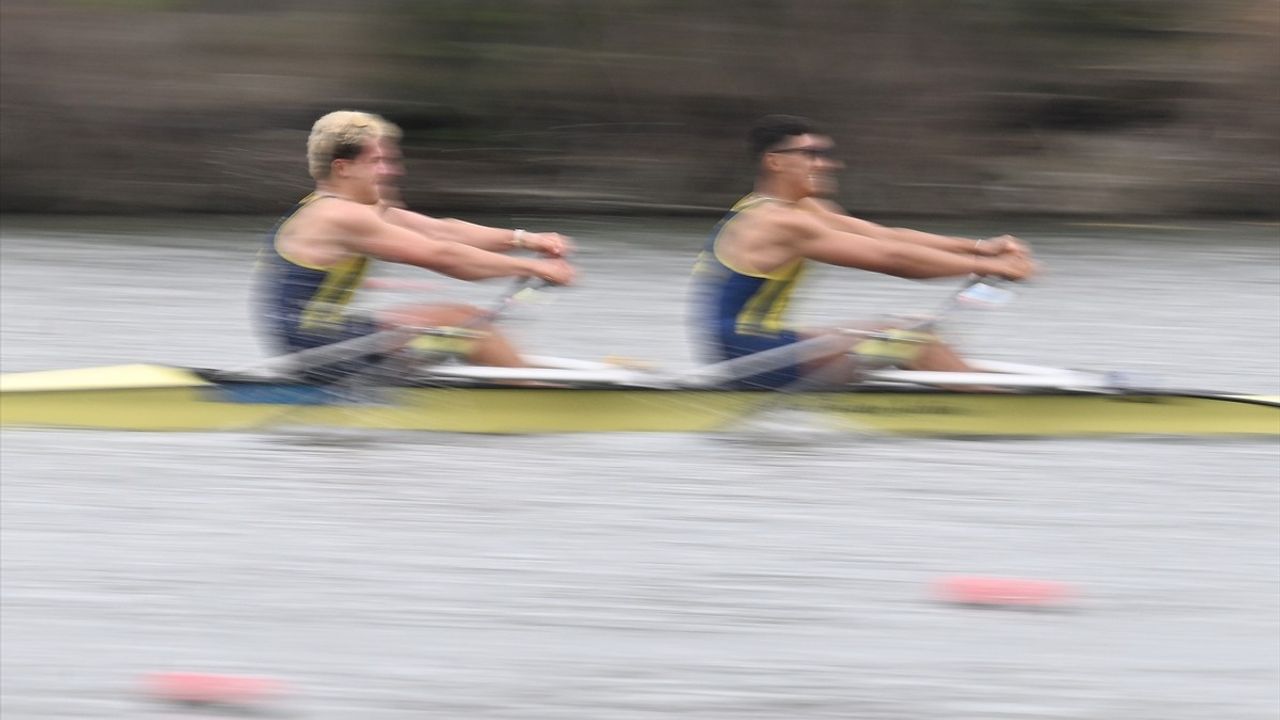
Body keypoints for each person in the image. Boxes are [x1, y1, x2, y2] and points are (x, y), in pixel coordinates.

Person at [690, 114, 1037, 389]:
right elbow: (894, 261)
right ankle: (1002, 409)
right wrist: (991, 267)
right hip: (749, 355)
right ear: (775, 162)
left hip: (753, 346)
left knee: (910, 327)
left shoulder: (796, 209)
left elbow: (888, 238)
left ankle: (969, 385)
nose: (827, 164)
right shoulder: (778, 222)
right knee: (911, 340)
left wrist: (982, 249)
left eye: (825, 155)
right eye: (811, 155)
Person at [254, 110, 575, 380]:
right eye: (377, 161)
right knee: (462, 321)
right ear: (343, 168)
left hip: (321, 337)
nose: (392, 171)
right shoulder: (339, 216)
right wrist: (532, 266)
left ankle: (520, 382)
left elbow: (443, 233)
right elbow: (444, 257)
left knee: (462, 327)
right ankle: (538, 398)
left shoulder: (341, 209)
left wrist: (526, 239)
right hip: (314, 345)